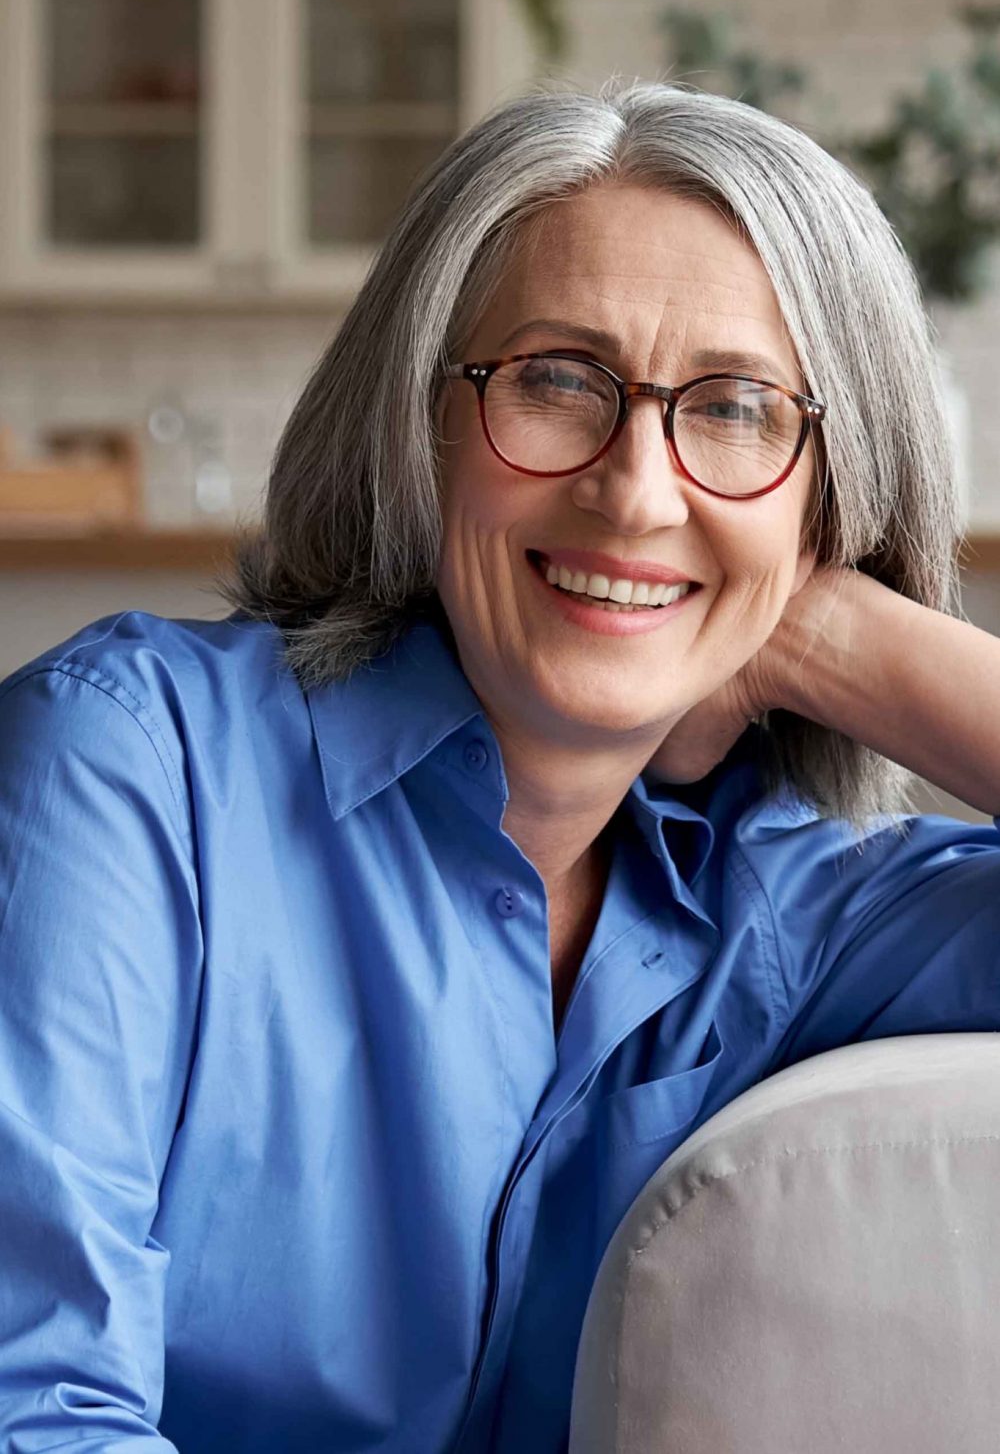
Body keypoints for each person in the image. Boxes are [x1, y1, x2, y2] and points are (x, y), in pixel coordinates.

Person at [1, 77, 999, 1454]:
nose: (636, 491)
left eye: (738, 412)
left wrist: (851, 644)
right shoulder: (132, 767)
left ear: (835, 490)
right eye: (556, 381)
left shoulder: (794, 921)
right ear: (420, 426)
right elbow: (29, 1408)